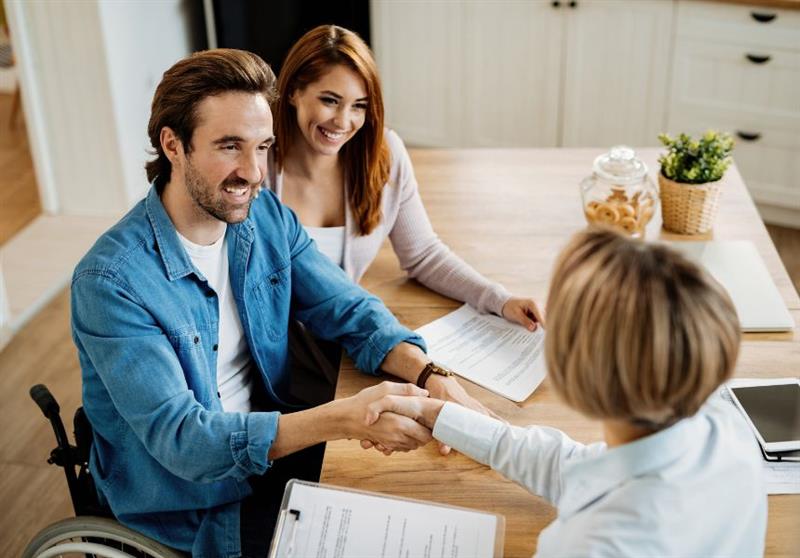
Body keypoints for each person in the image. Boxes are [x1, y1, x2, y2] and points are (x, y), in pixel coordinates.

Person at [70, 49, 487, 558]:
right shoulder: (110, 282)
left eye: (263, 147)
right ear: (173, 145)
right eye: (230, 146)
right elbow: (185, 442)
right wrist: (343, 418)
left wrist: (430, 375)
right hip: (194, 504)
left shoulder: (263, 215)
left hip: (271, 451)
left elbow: (349, 309)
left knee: (427, 501)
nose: (253, 172)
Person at [365, 228, 767, 556]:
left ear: (581, 373)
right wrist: (442, 417)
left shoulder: (591, 544)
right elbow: (579, 470)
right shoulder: (727, 428)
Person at [268, 25, 543, 332]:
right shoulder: (258, 162)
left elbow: (423, 254)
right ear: (293, 92)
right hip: (273, 339)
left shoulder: (384, 154)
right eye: (330, 100)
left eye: (359, 106)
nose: (343, 121)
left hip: (344, 333)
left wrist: (500, 300)